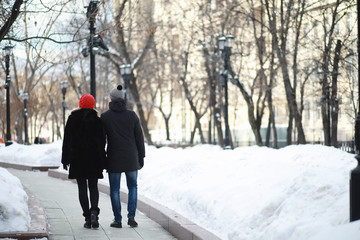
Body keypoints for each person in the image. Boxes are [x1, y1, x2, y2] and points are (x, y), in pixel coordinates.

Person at [101, 85, 145, 228]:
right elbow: (139, 138)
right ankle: (131, 217)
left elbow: (102, 140)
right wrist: (141, 156)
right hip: (131, 157)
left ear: (111, 99)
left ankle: (118, 219)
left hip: (114, 157)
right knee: (133, 186)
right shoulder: (132, 115)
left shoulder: (105, 117)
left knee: (114, 189)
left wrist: (102, 158)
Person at [61, 93, 106, 229]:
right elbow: (102, 142)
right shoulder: (98, 121)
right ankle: (94, 213)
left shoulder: (72, 119)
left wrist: (65, 159)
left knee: (82, 187)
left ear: (80, 104)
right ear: (93, 104)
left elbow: (67, 140)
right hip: (94, 159)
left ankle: (87, 217)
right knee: (93, 186)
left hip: (77, 159)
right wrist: (102, 160)